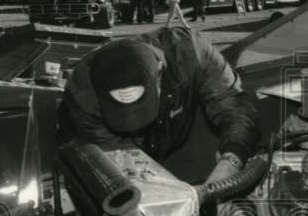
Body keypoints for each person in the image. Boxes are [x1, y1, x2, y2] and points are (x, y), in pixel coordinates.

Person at [57, 26, 260, 186]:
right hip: (123, 149)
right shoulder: (82, 93)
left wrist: (232, 159)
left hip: (173, 145)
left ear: (160, 75)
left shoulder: (192, 53)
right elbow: (115, 156)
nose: (135, 125)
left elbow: (235, 106)